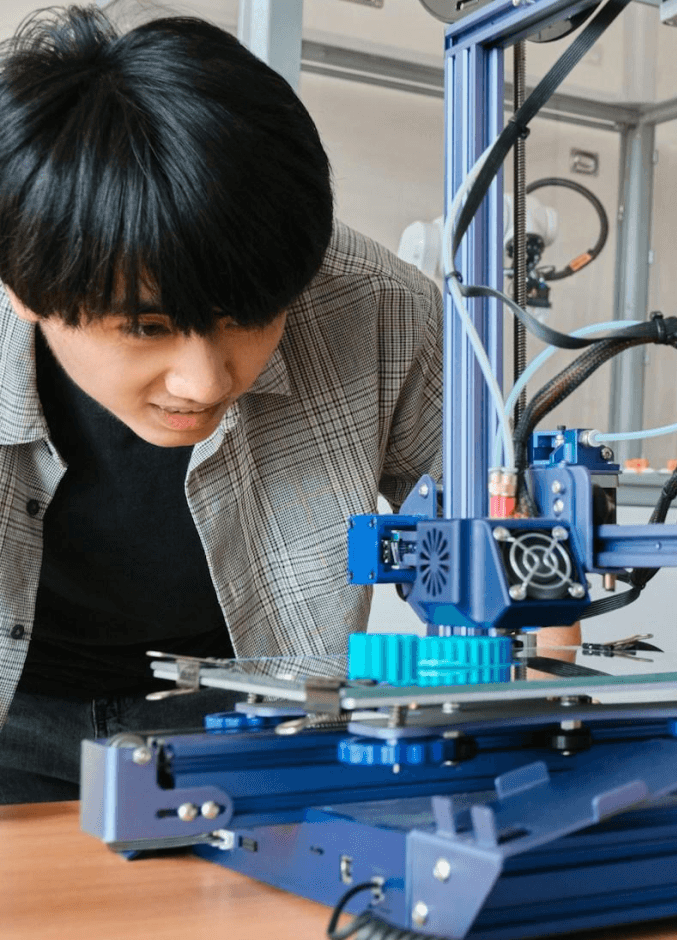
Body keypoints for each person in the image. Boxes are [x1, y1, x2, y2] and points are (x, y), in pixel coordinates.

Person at [0, 6, 445, 802]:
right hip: (15, 711)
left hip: (241, 716)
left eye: (250, 317)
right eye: (149, 327)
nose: (205, 383)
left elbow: (499, 545)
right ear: (23, 288)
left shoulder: (378, 308)